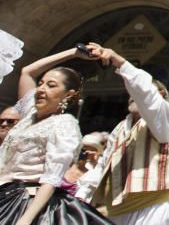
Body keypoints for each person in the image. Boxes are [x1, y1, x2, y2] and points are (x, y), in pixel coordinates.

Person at [0, 46, 111, 224]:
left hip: (27, 201)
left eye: (51, 85)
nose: (41, 89)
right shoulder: (29, 113)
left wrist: (26, 219)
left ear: (69, 94)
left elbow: (52, 178)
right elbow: (27, 72)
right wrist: (74, 53)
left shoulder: (64, 124)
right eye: (41, 83)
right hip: (5, 194)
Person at [75, 43, 169, 225]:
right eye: (130, 92)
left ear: (161, 93)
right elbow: (104, 165)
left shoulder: (165, 116)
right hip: (116, 210)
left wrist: (118, 60)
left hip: (150, 209)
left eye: (135, 91)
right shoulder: (121, 127)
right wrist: (81, 195)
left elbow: (145, 94)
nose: (132, 94)